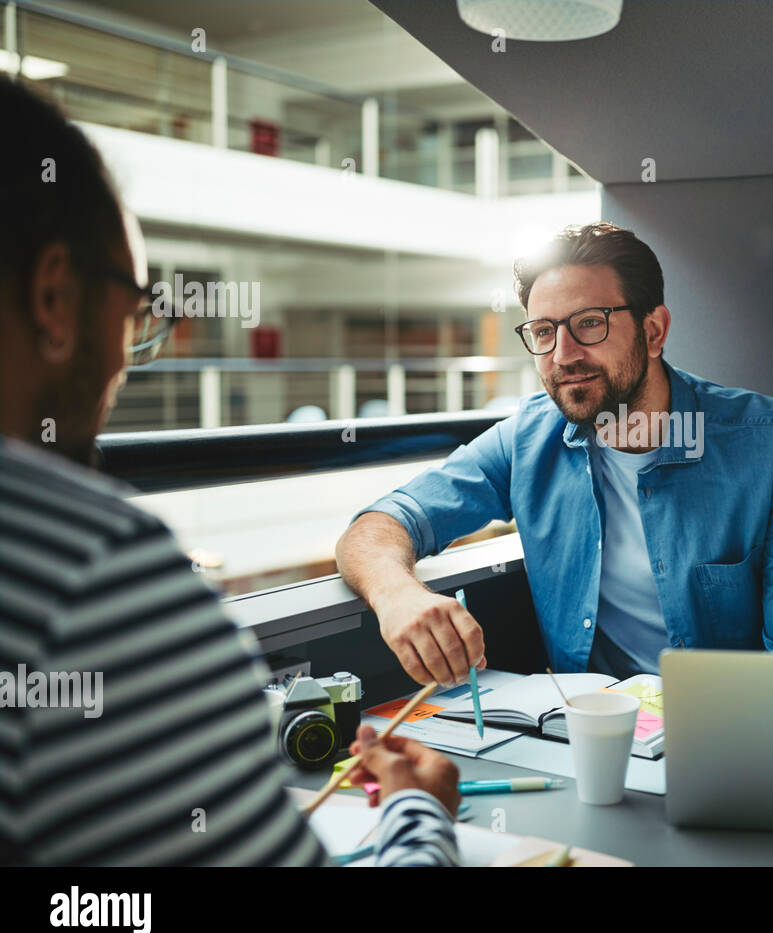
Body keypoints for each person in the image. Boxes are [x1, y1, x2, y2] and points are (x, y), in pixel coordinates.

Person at [0, 75, 459, 866]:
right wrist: (420, 815)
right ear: (53, 297)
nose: (127, 357)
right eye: (136, 310)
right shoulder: (98, 572)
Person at [336, 222, 773, 685]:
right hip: (585, 735)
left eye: (589, 324)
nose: (563, 355)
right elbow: (379, 526)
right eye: (543, 332)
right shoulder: (528, 439)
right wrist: (396, 594)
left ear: (653, 332)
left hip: (729, 744)